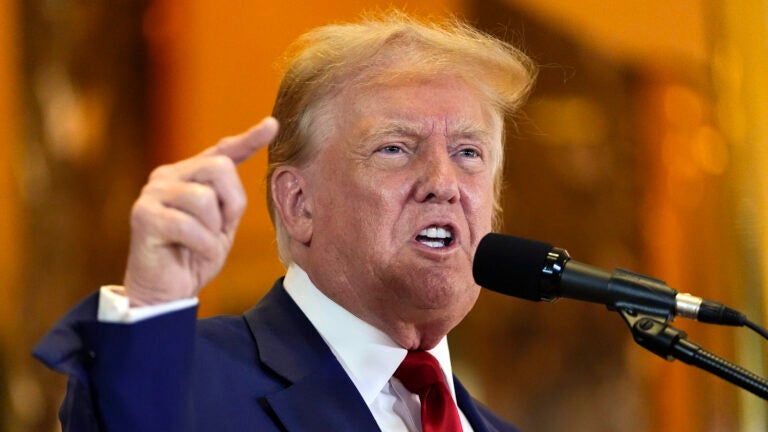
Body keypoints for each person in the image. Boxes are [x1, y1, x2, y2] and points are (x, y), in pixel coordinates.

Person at [34, 10, 535, 432]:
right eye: (395, 148)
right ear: (298, 203)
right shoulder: (189, 383)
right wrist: (152, 310)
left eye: (469, 152)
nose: (443, 182)